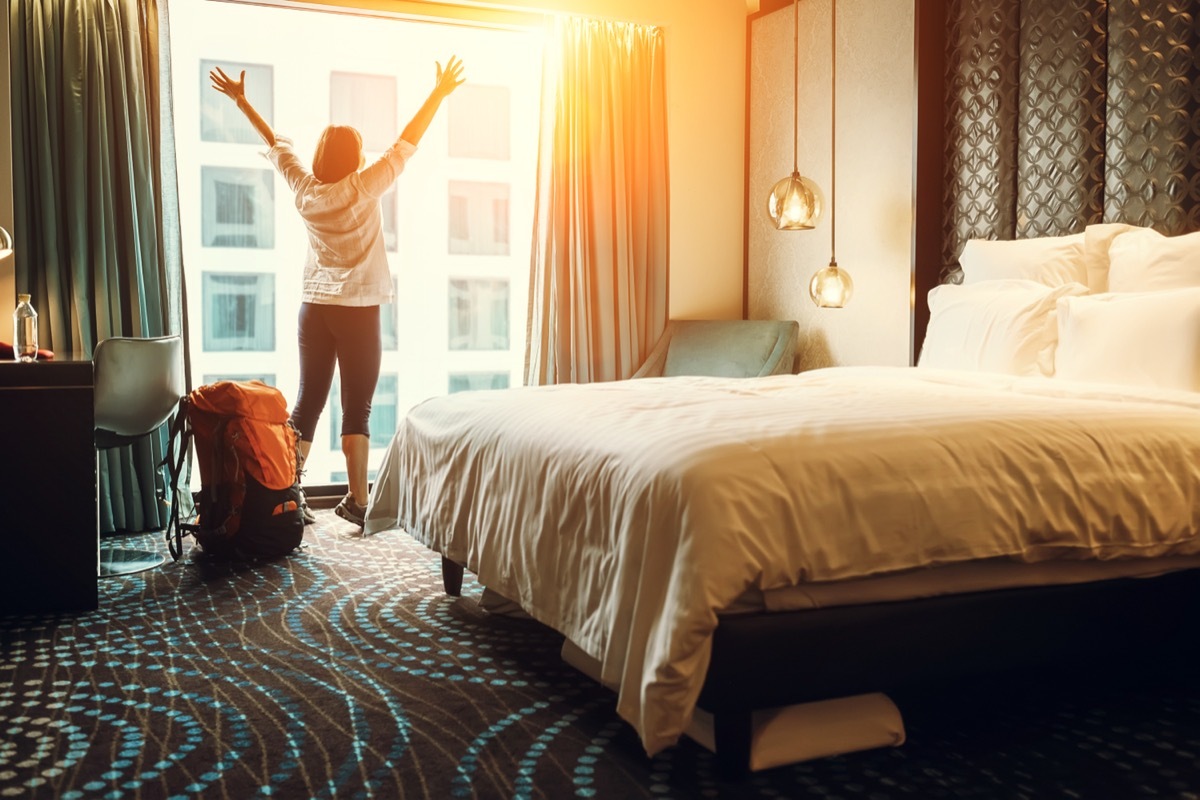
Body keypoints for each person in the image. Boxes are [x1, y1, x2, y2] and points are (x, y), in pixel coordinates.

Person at [210, 55, 465, 529]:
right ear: (355, 159)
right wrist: (438, 93)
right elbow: (405, 144)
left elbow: (275, 144)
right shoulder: (364, 186)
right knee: (358, 407)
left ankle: (288, 495)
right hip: (357, 309)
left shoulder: (305, 190)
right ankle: (358, 501)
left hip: (314, 309)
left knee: (308, 402)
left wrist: (243, 102)